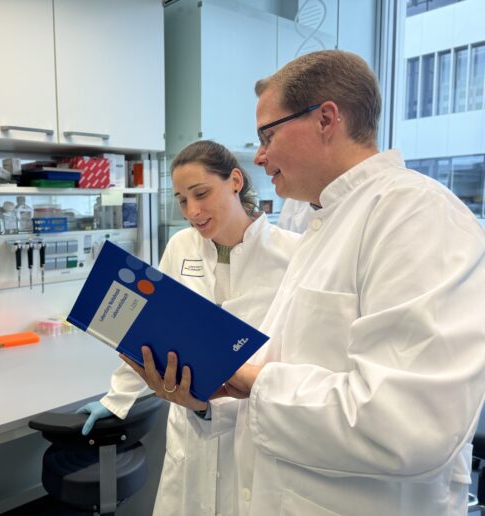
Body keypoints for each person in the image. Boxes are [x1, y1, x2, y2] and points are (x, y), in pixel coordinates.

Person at [122, 50, 485, 515]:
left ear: (325, 119)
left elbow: (411, 424)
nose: (260, 155)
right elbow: (294, 370)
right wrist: (206, 397)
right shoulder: (326, 225)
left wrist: (251, 381)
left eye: (268, 135)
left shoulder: (415, 216)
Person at [78, 140, 300, 515]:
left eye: (201, 193)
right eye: (182, 200)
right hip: (191, 426)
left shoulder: (292, 253)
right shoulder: (181, 245)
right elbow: (148, 326)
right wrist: (115, 398)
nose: (192, 212)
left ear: (234, 181)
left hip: (252, 426)